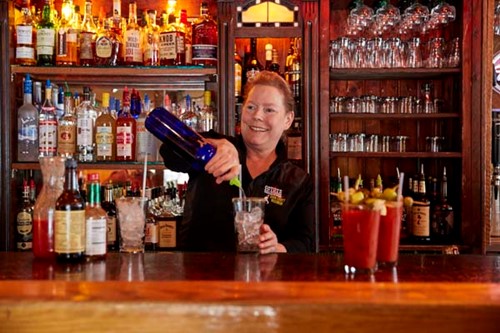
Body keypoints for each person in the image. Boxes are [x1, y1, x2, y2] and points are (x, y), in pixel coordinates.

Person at [160, 71, 315, 253]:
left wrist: (278, 247)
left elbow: (305, 243)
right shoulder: (213, 149)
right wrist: (218, 144)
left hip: (264, 278)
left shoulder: (298, 181)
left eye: (269, 110)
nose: (257, 115)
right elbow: (169, 153)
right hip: (201, 277)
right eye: (251, 107)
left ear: (288, 119)